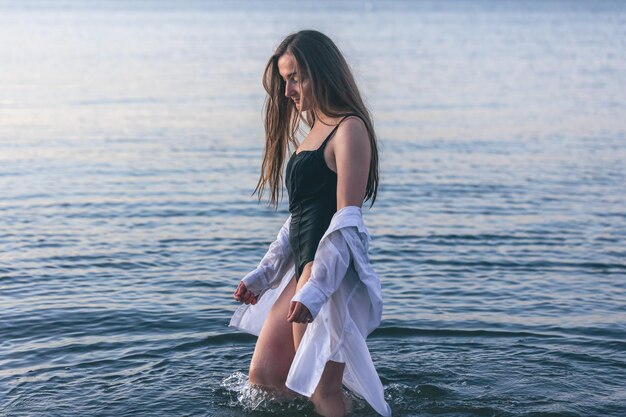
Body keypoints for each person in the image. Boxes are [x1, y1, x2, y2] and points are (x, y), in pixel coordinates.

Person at [230, 30, 391, 417]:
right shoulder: (313, 132)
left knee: (323, 391)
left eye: (295, 78)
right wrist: (264, 274)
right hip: (301, 275)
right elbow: (300, 217)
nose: (287, 92)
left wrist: (316, 288)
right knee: (267, 379)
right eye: (284, 81)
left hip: (323, 277)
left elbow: (346, 223)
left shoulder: (348, 129)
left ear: (321, 73)